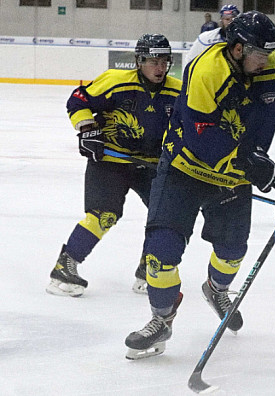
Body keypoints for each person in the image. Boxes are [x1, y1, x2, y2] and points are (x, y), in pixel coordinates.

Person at [124, 11, 275, 360]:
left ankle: (217, 288)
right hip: (184, 170)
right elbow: (200, 134)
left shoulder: (271, 64)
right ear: (239, 49)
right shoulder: (205, 70)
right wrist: (248, 160)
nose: (267, 61)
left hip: (233, 179)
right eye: (260, 54)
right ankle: (161, 318)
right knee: (160, 254)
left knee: (232, 253)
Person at [46, 34, 181, 297]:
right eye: (153, 61)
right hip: (110, 160)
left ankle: (150, 270)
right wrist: (87, 130)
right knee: (103, 215)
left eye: (164, 60)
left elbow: (188, 125)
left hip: (151, 164)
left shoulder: (178, 90)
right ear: (138, 61)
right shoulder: (115, 81)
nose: (160, 67)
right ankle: (65, 267)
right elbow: (78, 101)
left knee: (167, 217)